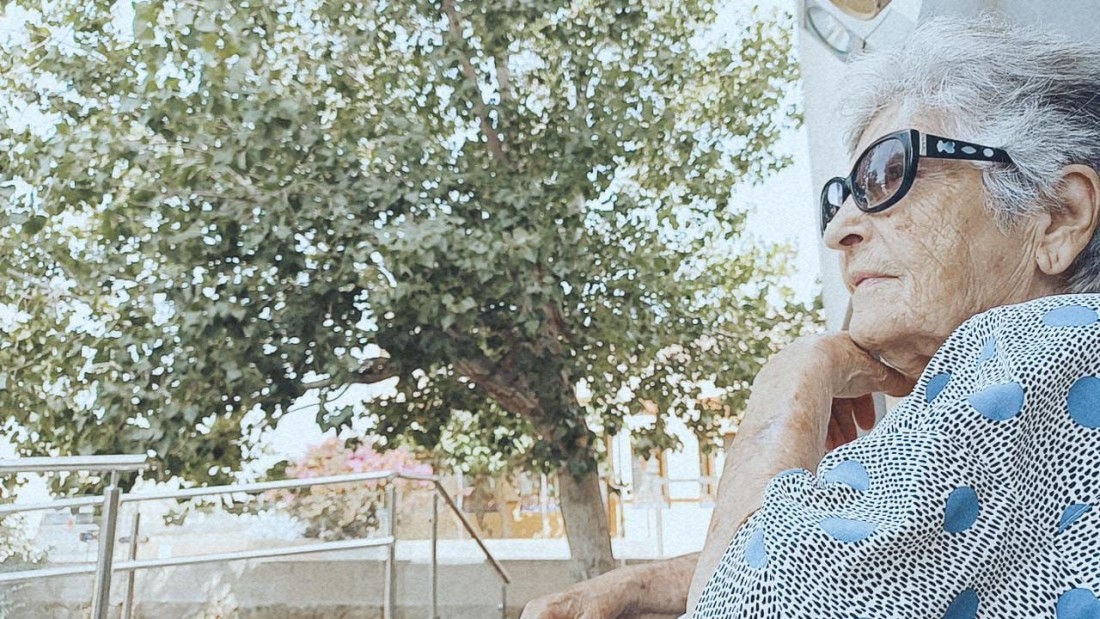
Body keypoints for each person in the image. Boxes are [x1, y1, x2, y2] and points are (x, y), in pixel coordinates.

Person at [522, 16, 1100, 618]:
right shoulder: (1050, 389)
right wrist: (639, 585)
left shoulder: (1033, 346)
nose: (839, 228)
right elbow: (887, 576)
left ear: (1058, 216)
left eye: (888, 174)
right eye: (842, 194)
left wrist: (794, 379)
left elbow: (747, 605)